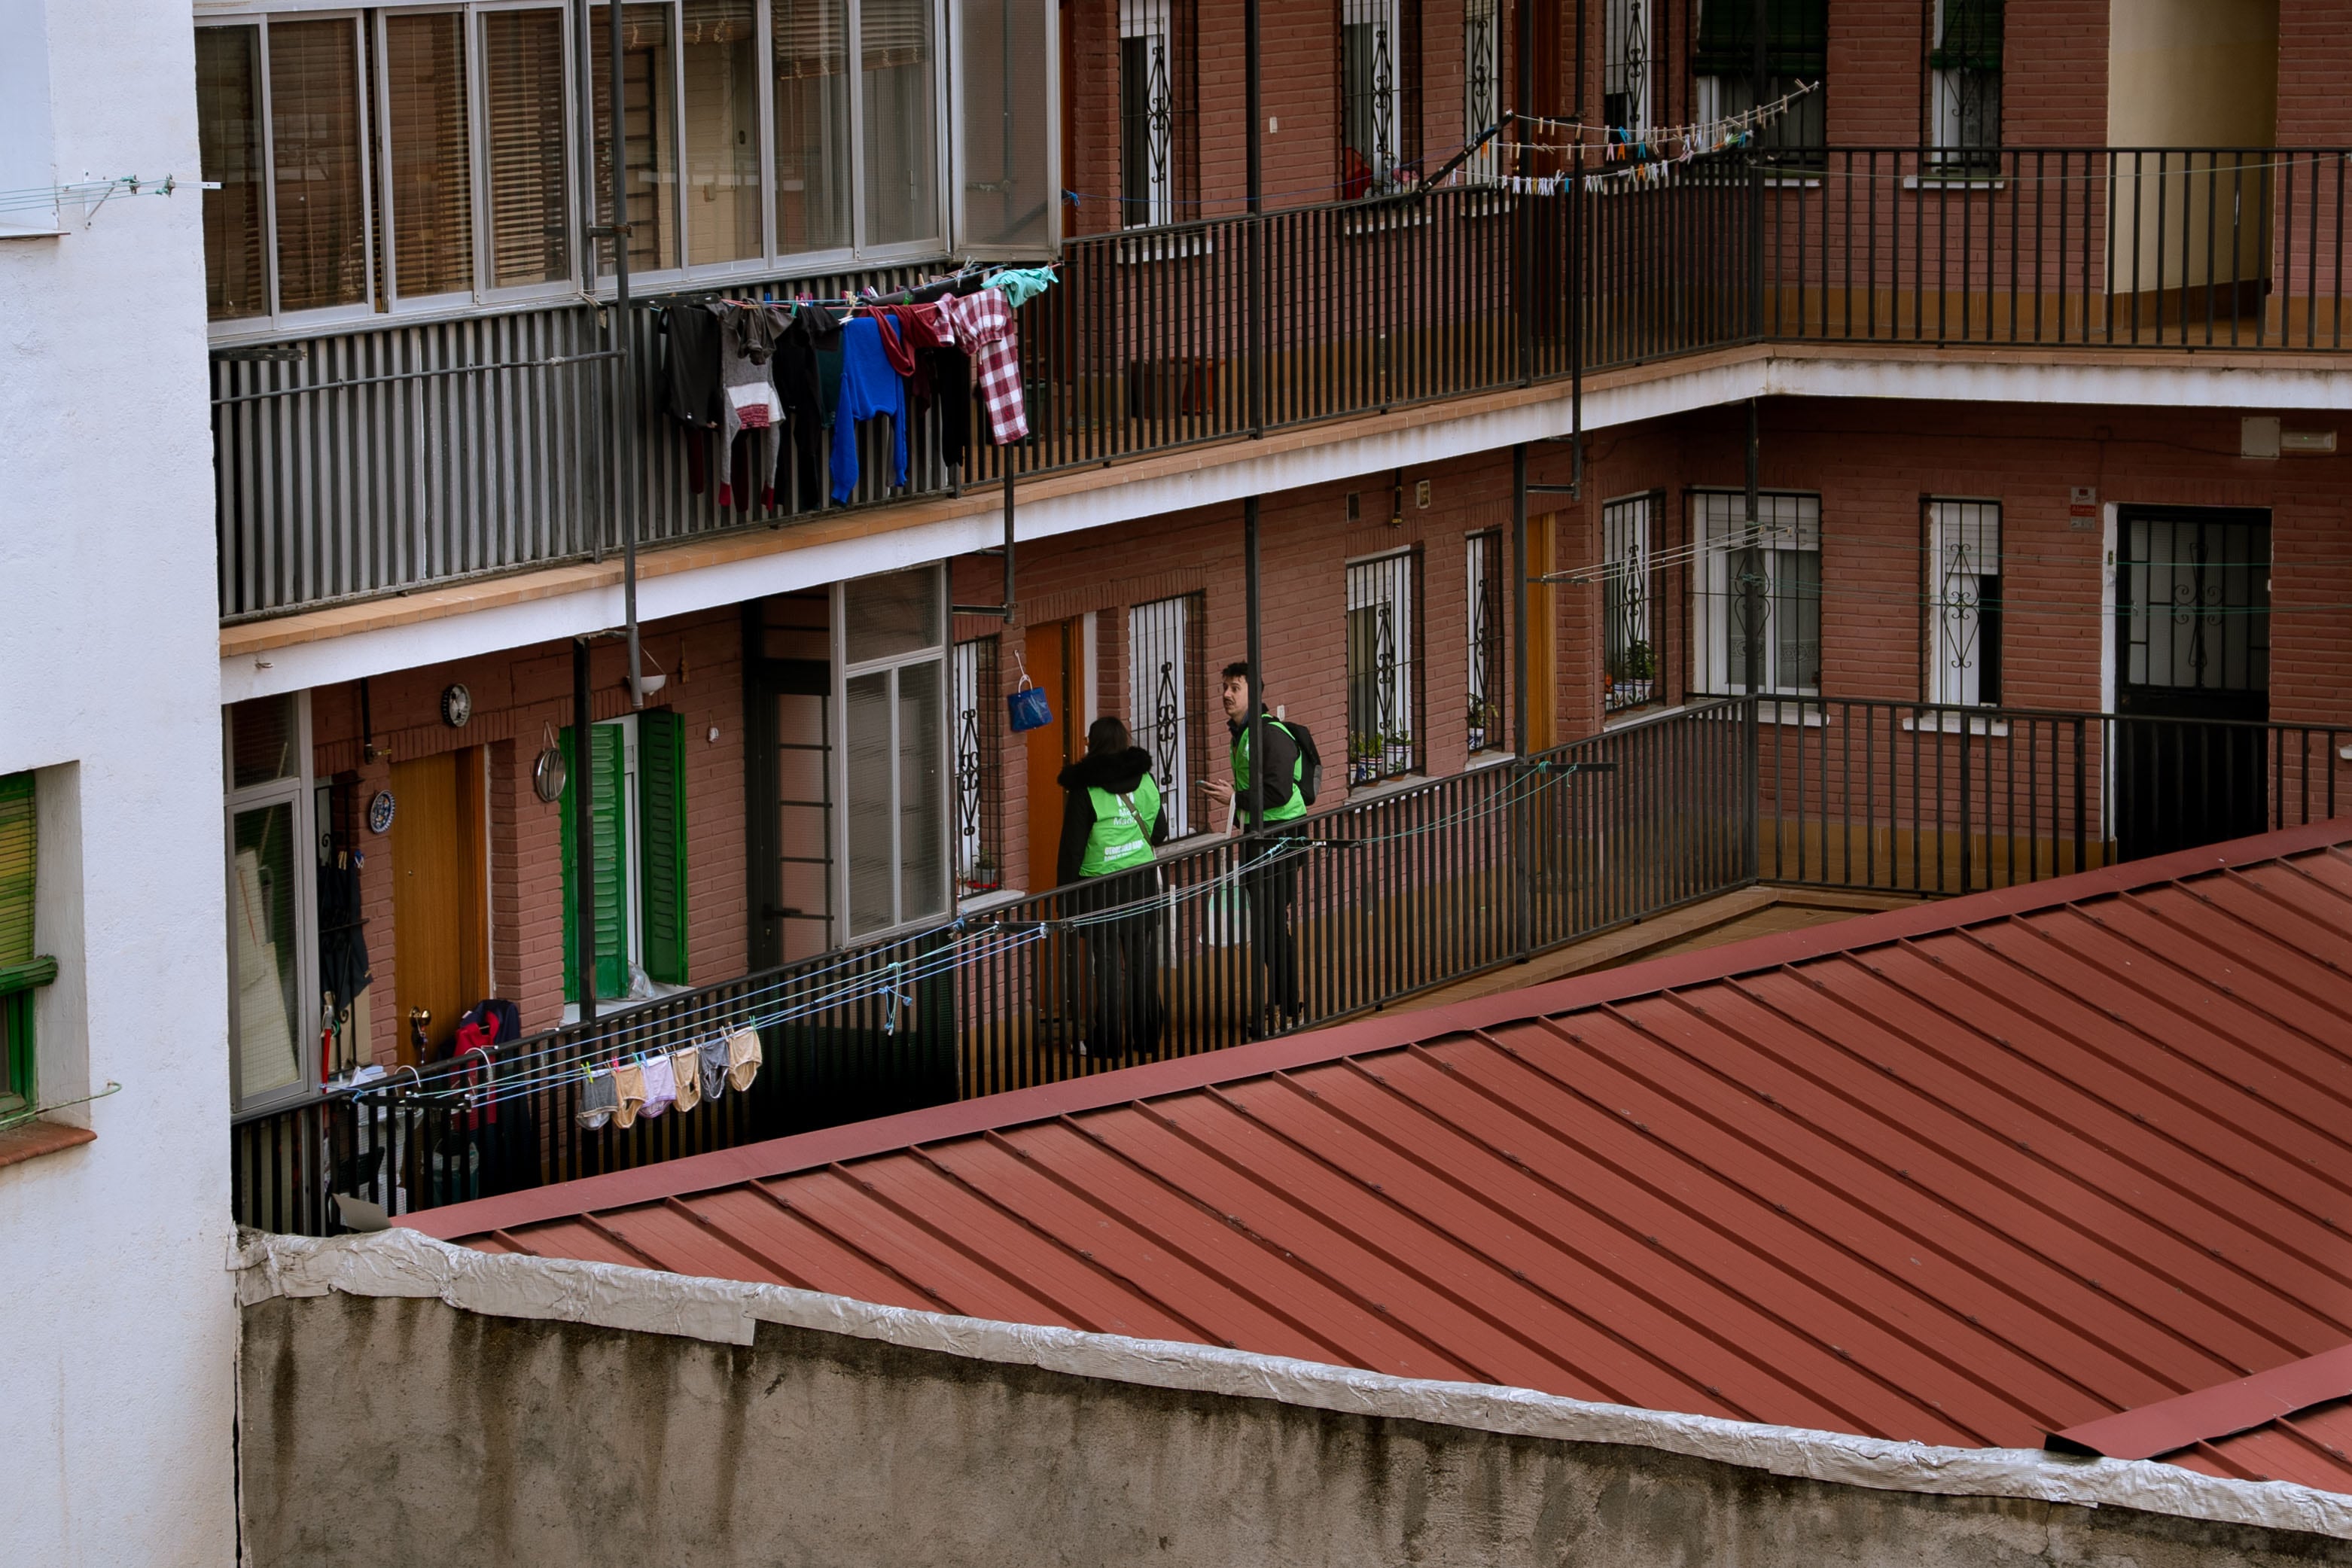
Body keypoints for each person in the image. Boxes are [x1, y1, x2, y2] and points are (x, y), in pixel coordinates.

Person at [1056, 717, 1168, 1058]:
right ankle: (1147, 1038)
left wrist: (1065, 900)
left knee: (1105, 969)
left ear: (1093, 745)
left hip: (1099, 888)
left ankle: (1106, 1044)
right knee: (1142, 964)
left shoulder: (1085, 791)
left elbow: (1072, 850)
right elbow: (1160, 832)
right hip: (1142, 883)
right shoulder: (1146, 780)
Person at [1202, 661, 1303, 1035]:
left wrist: (1235, 797)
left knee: (1273, 926)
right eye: (1224, 687)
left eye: (1236, 688)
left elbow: (1278, 791)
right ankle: (1282, 1003)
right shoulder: (1244, 734)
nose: (1226, 695)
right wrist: (1236, 798)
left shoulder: (1268, 735)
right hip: (1260, 837)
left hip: (1278, 839)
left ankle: (1288, 1008)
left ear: (1255, 694)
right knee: (1266, 925)